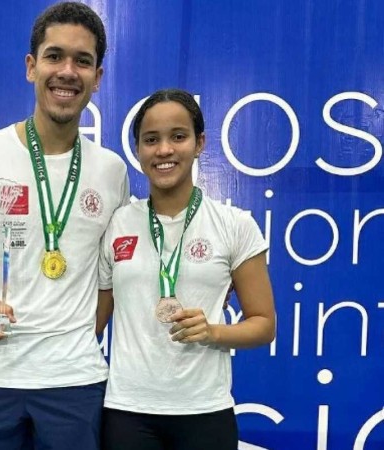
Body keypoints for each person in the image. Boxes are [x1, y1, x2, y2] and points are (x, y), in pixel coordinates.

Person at [0, 3, 129, 449]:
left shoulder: (112, 172)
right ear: (31, 67)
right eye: (55, 57)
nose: (68, 72)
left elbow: (116, 275)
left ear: (98, 77)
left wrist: (71, 340)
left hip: (75, 383)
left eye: (83, 61)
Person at [97, 88, 275, 450]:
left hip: (204, 411)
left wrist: (212, 332)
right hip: (128, 411)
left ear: (199, 143)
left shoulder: (234, 225)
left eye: (178, 136)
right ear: (138, 150)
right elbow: (92, 322)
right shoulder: (117, 224)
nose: (164, 150)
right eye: (151, 140)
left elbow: (264, 324)